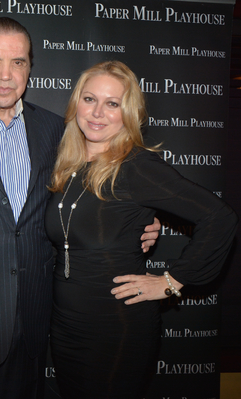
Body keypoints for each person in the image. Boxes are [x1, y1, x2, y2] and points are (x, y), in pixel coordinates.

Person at [0, 18, 160, 398]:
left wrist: (144, 219)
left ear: (30, 68)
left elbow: (90, 198)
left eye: (19, 63)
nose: (6, 75)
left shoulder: (56, 131)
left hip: (33, 322)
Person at [46, 60, 237, 399]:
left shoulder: (136, 167)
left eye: (112, 103)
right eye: (89, 99)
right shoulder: (69, 165)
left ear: (128, 113)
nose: (97, 112)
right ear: (76, 103)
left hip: (116, 328)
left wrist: (170, 282)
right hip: (67, 327)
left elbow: (219, 218)